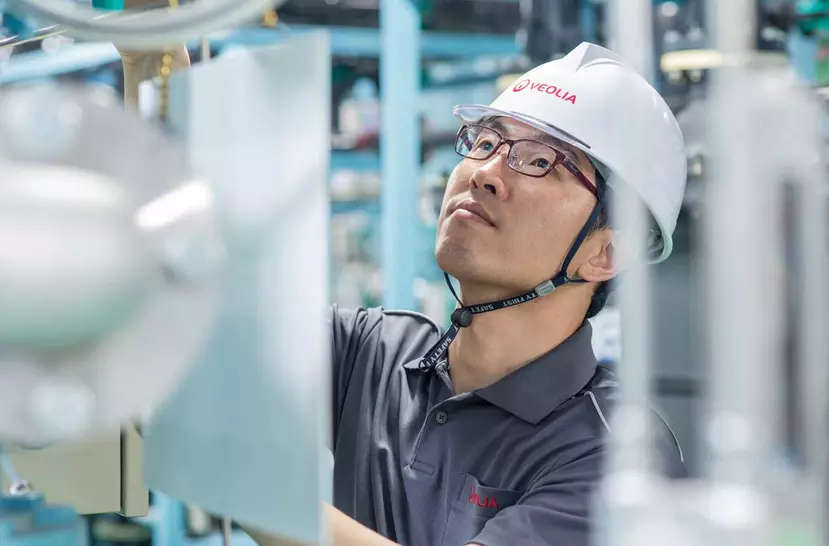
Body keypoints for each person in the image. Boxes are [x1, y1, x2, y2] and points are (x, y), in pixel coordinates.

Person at [119, 38, 687, 546]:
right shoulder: (376, 353)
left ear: (607, 252)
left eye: (541, 162)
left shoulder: (620, 456)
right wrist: (150, 56)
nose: (486, 171)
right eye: (486, 140)